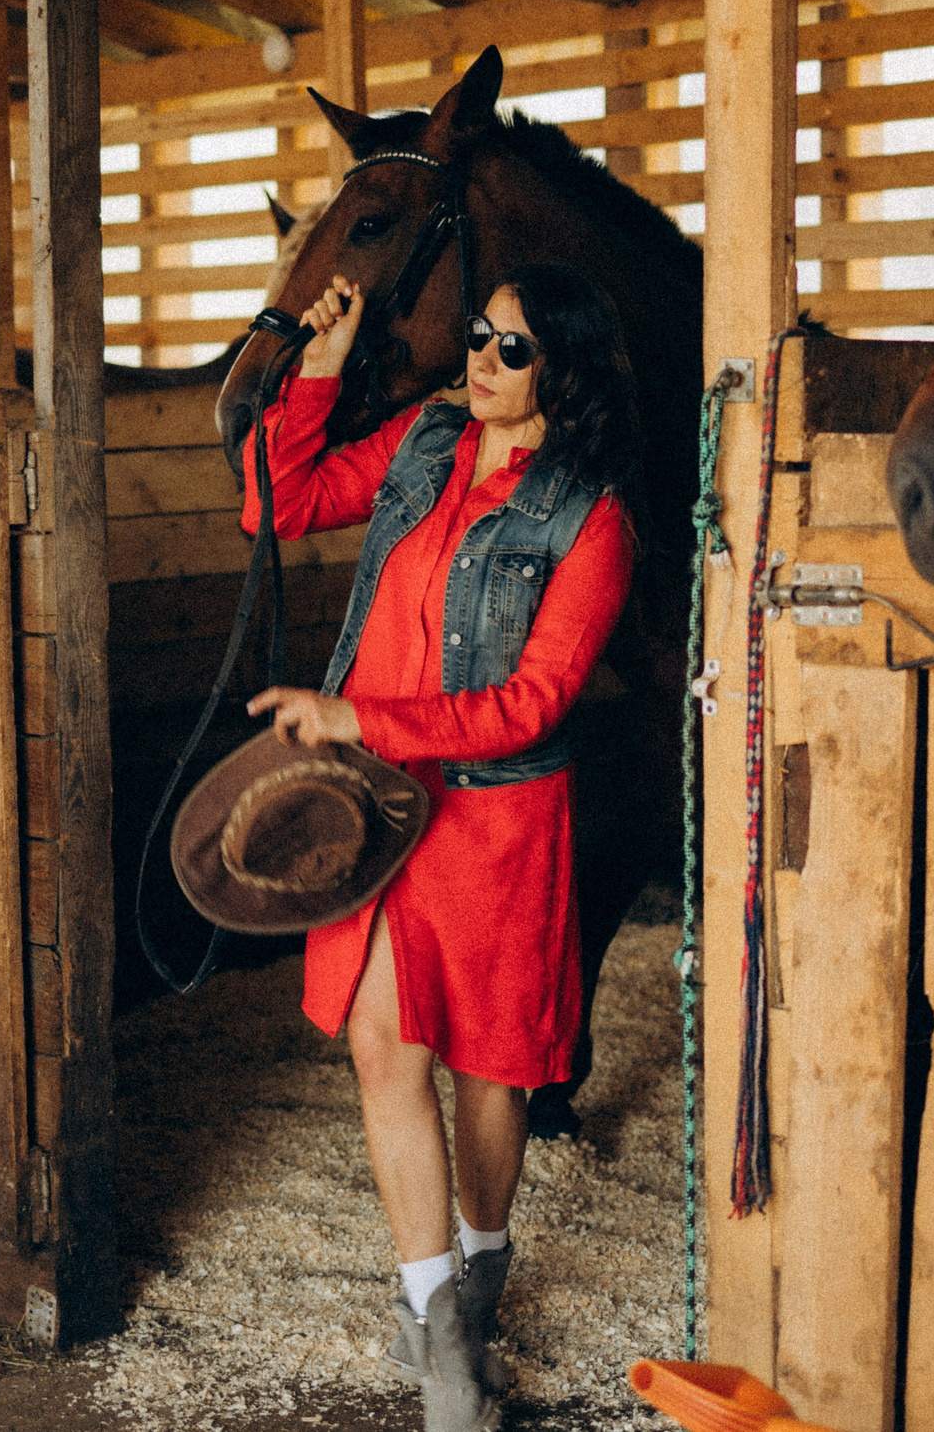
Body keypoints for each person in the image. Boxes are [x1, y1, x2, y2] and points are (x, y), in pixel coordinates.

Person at [239, 261, 639, 1432]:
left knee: (490, 1069)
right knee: (384, 1048)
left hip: (494, 821)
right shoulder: (424, 443)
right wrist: (317, 373)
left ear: (563, 367)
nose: (482, 360)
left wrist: (361, 716)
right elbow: (275, 502)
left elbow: (534, 702)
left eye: (513, 348)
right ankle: (438, 1331)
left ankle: (481, 1265)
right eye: (478, 335)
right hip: (379, 806)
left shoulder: (591, 519)